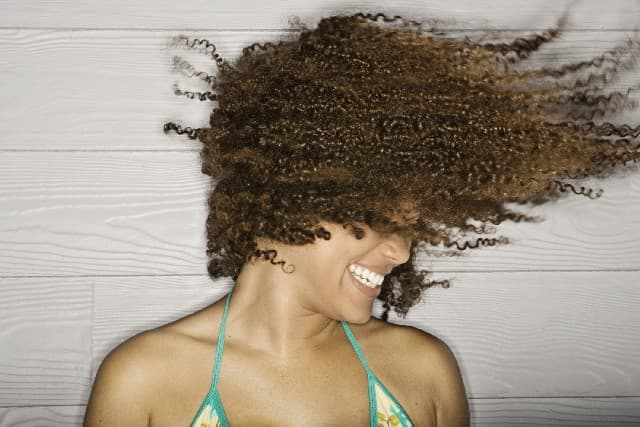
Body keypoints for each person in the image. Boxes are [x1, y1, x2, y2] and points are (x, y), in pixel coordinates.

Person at [84, 10, 640, 427]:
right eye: (376, 220)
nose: (400, 252)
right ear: (289, 191)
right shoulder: (143, 379)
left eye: (411, 229)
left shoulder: (422, 371)